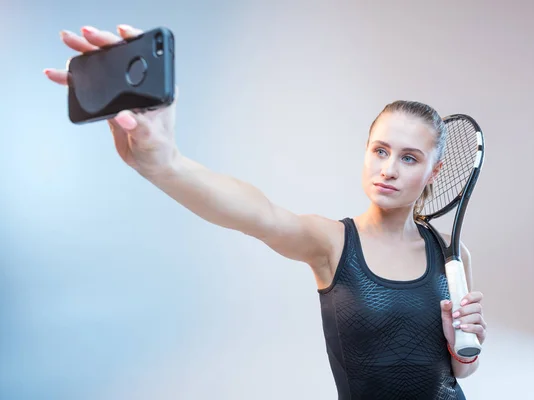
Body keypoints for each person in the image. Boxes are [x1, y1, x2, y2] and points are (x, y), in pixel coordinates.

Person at [45, 24, 487, 400]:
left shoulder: (451, 255)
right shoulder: (331, 243)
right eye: (381, 150)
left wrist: (463, 345)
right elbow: (259, 214)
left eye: (409, 158)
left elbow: (459, 371)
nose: (389, 169)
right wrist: (166, 164)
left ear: (435, 172)